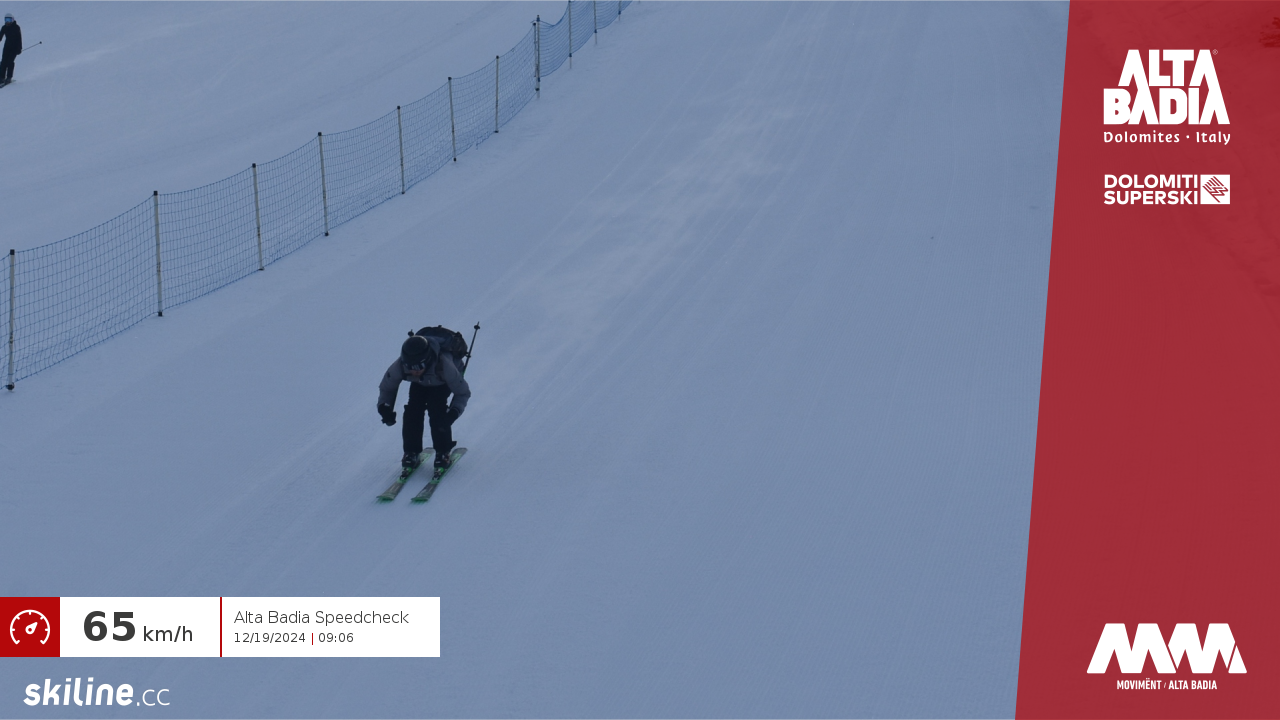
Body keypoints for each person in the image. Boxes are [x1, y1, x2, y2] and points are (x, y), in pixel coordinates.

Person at [377, 330, 470, 470]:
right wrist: (385, 407)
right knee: (412, 411)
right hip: (420, 382)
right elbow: (387, 388)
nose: (414, 371)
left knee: (438, 412)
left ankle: (443, 451)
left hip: (441, 381)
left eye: (418, 367)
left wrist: (453, 413)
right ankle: (411, 452)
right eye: (410, 367)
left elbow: (463, 393)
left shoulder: (445, 366)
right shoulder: (401, 365)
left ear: (428, 360)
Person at [0, 14, 20, 85]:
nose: (7, 22)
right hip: (6, 47)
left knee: (10, 62)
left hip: (14, 48)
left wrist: (19, 48)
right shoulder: (4, 27)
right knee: (3, 62)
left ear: (12, 20)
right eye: (6, 20)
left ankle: (9, 77)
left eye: (9, 20)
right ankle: (1, 77)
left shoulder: (16, 27)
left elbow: (19, 38)